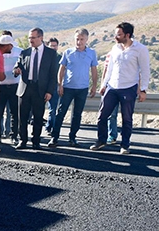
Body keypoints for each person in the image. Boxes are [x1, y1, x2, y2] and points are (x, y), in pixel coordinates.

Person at [90, 22, 150, 154]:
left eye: (118, 34)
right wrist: (104, 85)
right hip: (112, 87)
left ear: (127, 35)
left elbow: (145, 70)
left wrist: (143, 90)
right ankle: (101, 140)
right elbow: (110, 67)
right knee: (102, 115)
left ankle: (125, 145)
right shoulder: (115, 48)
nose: (115, 37)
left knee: (127, 118)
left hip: (129, 87)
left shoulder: (140, 49)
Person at [48, 29, 98, 148]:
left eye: (82, 39)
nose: (79, 42)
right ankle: (54, 137)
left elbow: (94, 70)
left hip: (82, 88)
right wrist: (60, 85)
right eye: (77, 39)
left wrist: (94, 85)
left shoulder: (91, 53)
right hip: (68, 88)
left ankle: (72, 137)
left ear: (87, 39)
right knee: (61, 112)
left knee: (77, 114)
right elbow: (61, 70)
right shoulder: (68, 52)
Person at [13, 27, 58, 149]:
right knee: (22, 117)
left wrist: (49, 91)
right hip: (25, 88)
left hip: (40, 89)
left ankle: (36, 141)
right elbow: (17, 66)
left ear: (41, 38)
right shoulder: (25, 52)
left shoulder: (50, 53)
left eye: (33, 37)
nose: (30, 40)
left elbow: (53, 75)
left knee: (38, 117)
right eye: (29, 38)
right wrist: (16, 70)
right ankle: (22, 140)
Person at [0, 30, 21, 145]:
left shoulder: (20, 52)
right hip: (0, 87)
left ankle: (14, 136)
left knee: (15, 113)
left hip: (15, 86)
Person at [44, 37, 61, 134]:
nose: (53, 48)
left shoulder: (60, 58)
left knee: (53, 109)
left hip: (55, 86)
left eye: (55, 46)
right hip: (43, 86)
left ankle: (50, 127)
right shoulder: (44, 58)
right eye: (51, 46)